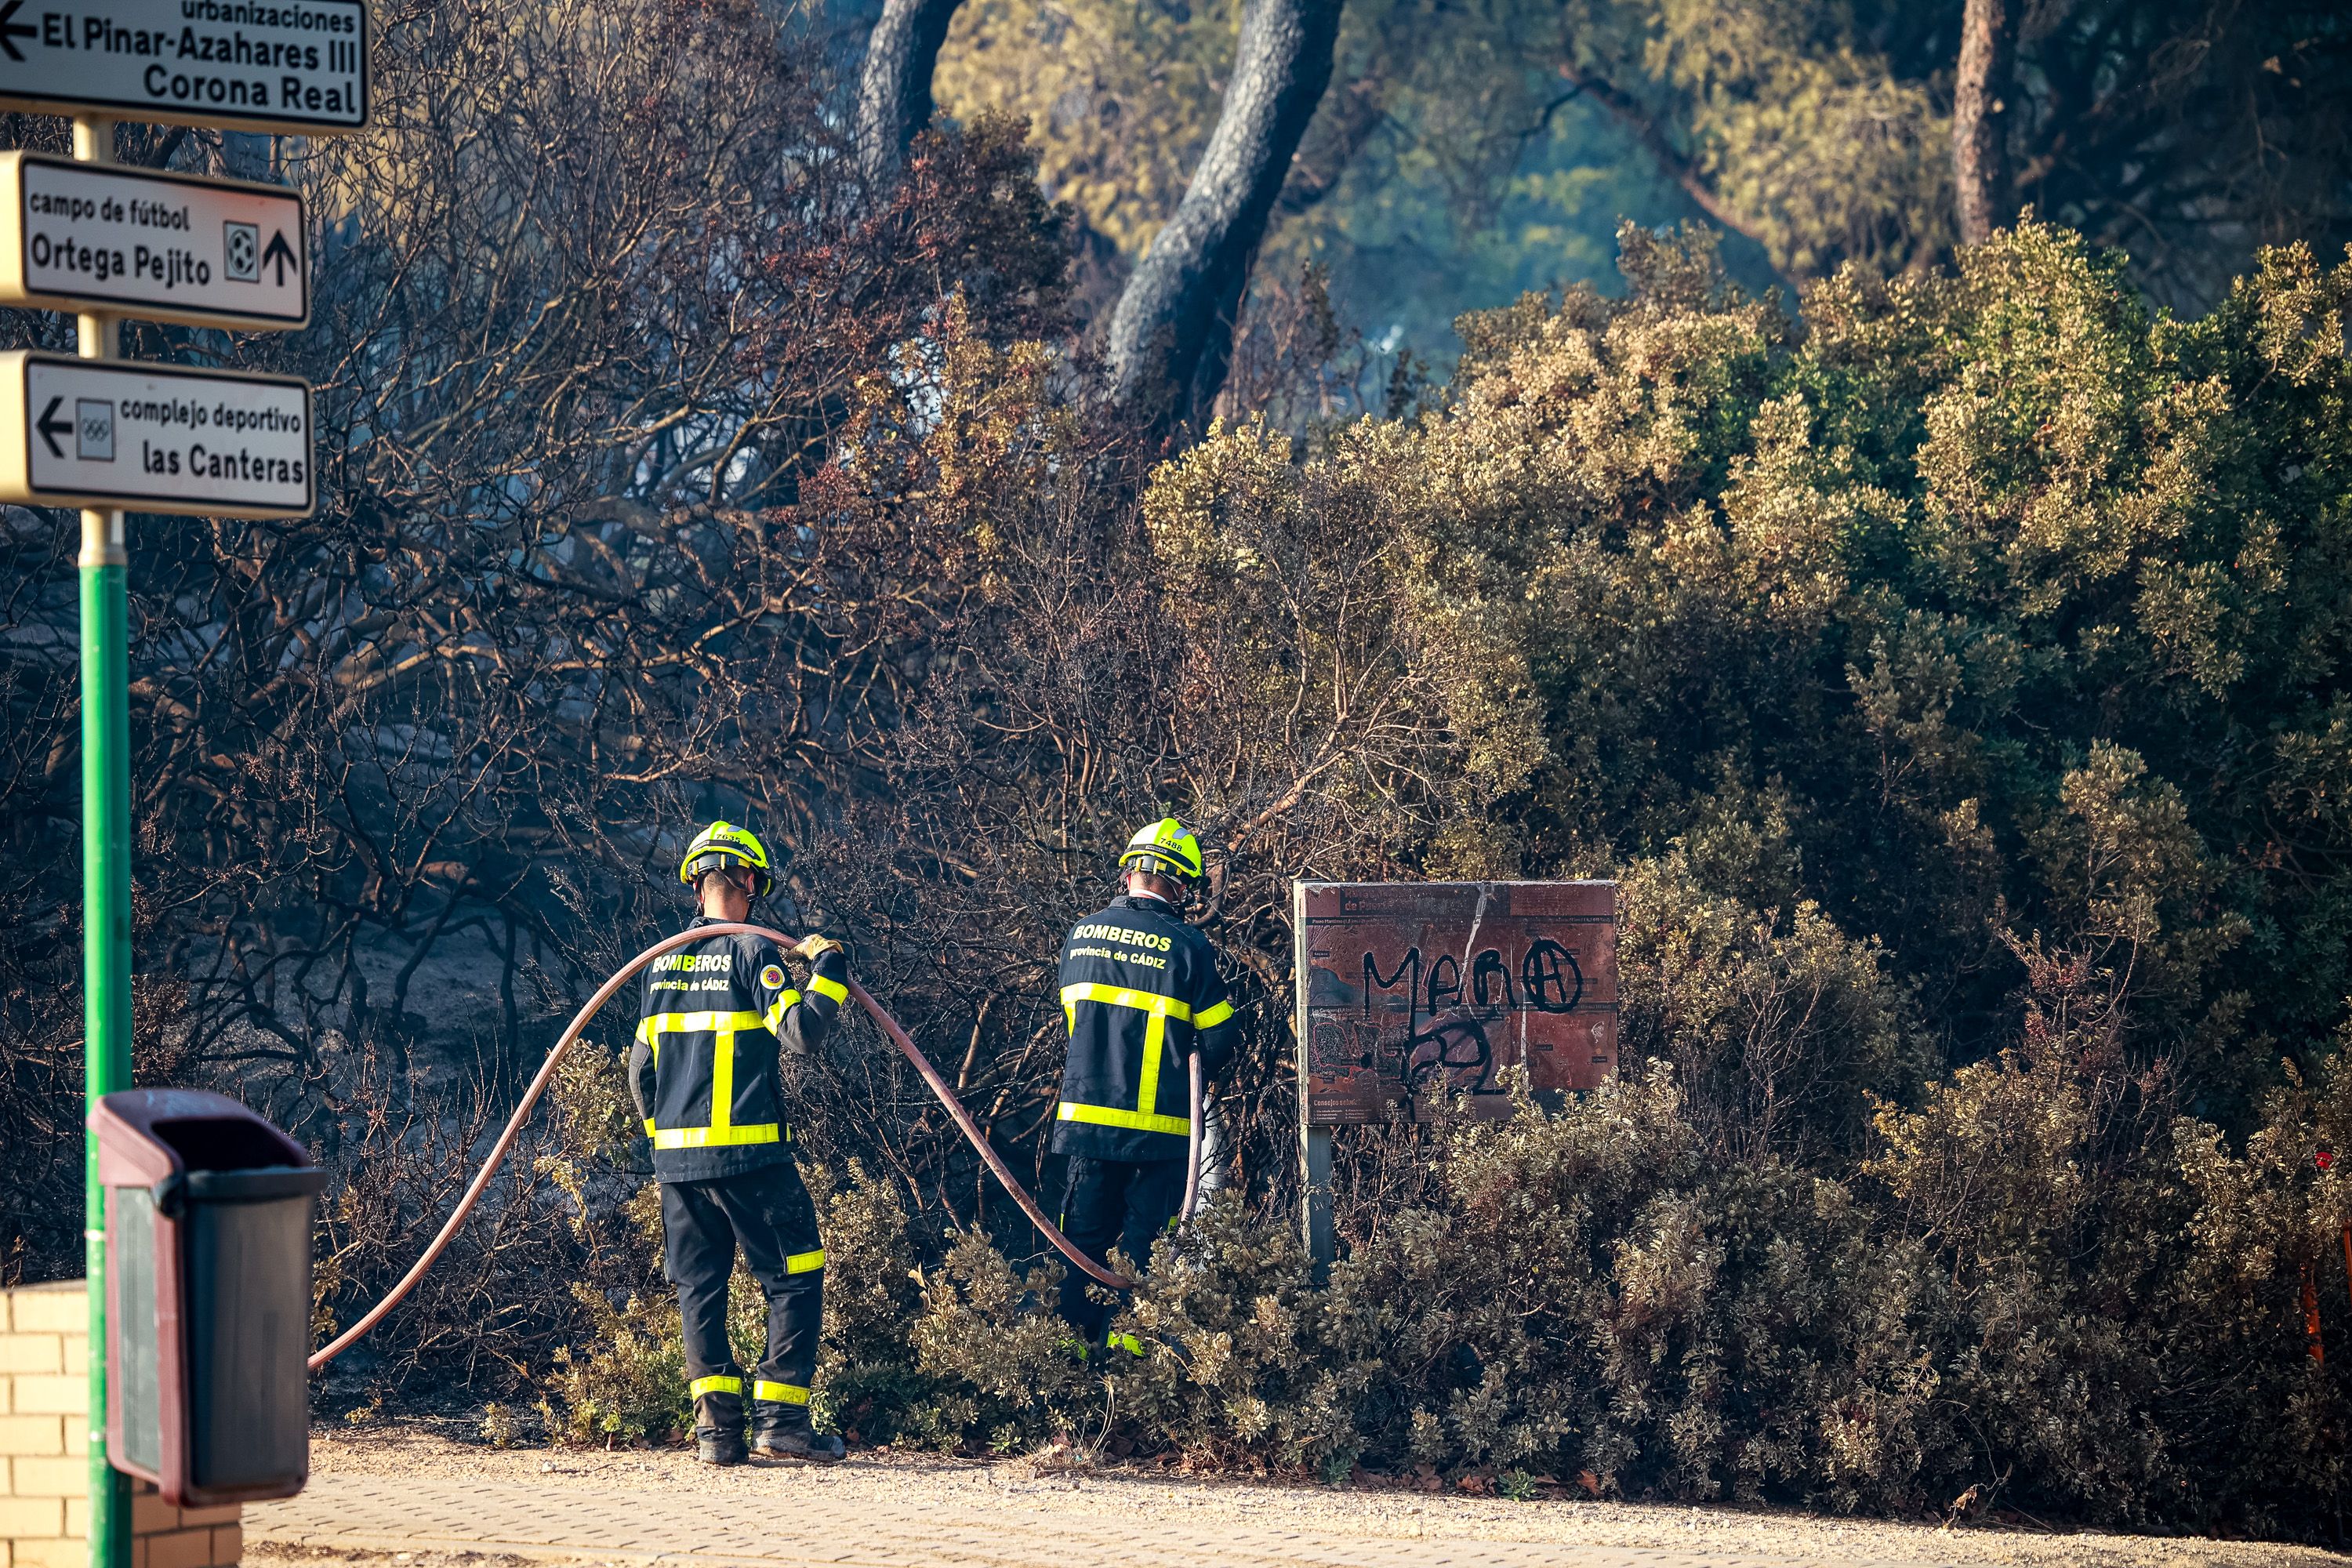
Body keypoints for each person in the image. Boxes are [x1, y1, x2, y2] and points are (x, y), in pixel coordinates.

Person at [629, 820, 850, 1466]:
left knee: (699, 1288)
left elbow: (639, 1071)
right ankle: (782, 1423)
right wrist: (831, 968)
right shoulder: (755, 952)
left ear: (697, 884)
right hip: (750, 1158)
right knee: (794, 1273)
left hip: (677, 1167)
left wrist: (665, 1146)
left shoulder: (660, 963)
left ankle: (717, 1438)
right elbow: (803, 1034)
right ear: (749, 881)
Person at [1050, 816, 1237, 1351]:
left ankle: (1069, 1362)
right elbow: (1221, 1037)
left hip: (1086, 1125)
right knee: (1146, 1251)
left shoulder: (1081, 934)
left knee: (1081, 1248)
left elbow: (1076, 1020)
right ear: (1178, 882)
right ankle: (1130, 1369)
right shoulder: (1187, 946)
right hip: (1160, 1131)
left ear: (1130, 871)